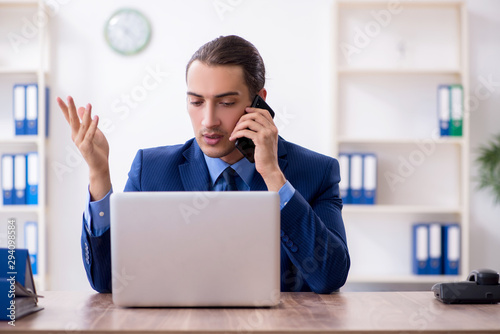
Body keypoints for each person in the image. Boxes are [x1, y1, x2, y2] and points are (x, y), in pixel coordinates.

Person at [57, 35, 350, 294]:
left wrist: (273, 175)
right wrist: (99, 174)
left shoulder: (317, 172)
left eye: (225, 103)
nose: (209, 121)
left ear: (258, 103)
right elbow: (106, 281)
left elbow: (329, 277)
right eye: (196, 102)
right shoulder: (152, 170)